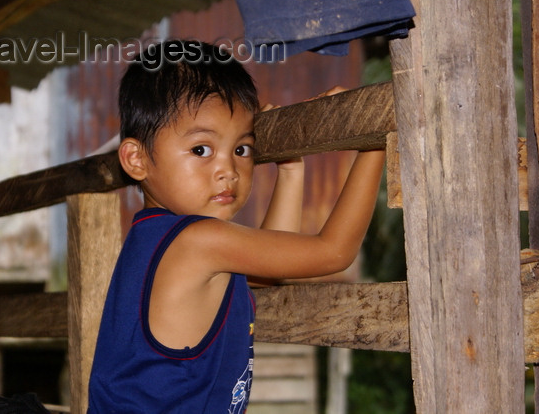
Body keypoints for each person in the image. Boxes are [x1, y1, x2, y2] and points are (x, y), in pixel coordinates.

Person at [87, 41, 385, 413]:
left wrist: (290, 170)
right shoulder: (199, 240)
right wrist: (375, 140)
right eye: (201, 150)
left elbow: (267, 269)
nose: (228, 170)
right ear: (137, 159)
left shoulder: (155, 237)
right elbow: (334, 252)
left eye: (241, 149)